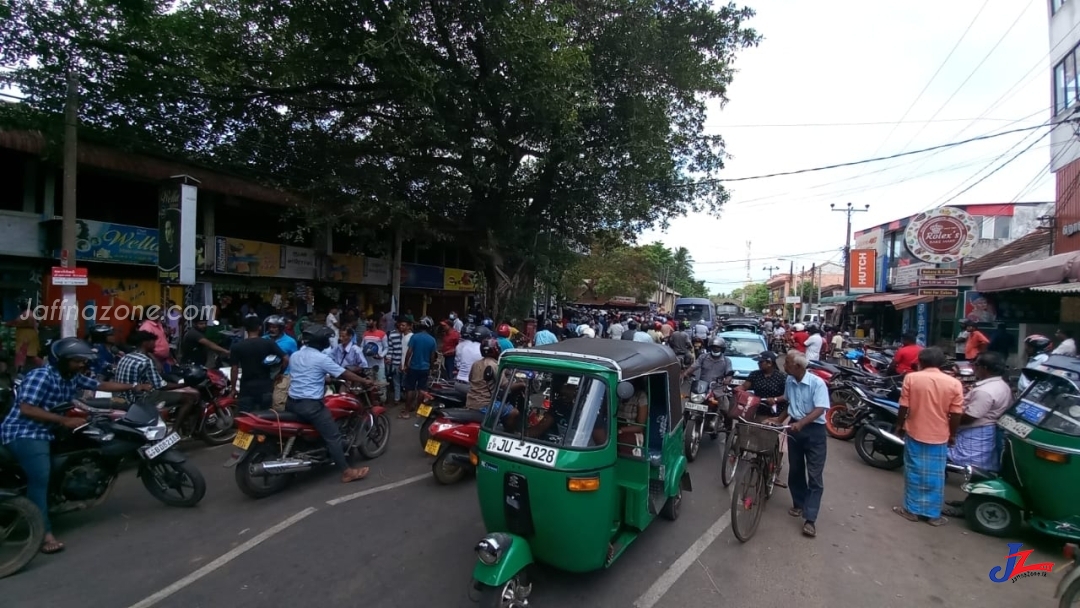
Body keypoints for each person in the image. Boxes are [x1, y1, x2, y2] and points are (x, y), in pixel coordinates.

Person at [0, 338, 151, 554]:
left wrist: (135, 386)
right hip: (24, 431)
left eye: (83, 361)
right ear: (61, 361)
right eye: (77, 361)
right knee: (40, 478)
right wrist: (64, 421)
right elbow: (27, 409)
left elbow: (100, 385)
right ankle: (43, 534)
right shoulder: (41, 376)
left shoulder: (71, 376)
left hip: (50, 429)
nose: (82, 364)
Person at [286, 325, 372, 484]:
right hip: (311, 406)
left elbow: (306, 374)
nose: (328, 341)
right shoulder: (321, 358)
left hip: (291, 403)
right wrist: (364, 380)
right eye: (326, 339)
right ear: (320, 341)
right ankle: (347, 472)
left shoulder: (296, 355)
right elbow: (344, 373)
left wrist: (326, 379)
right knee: (334, 437)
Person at [893, 347, 963, 527]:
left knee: (914, 471)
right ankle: (933, 514)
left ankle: (911, 510)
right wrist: (952, 434)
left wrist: (900, 425)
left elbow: (904, 406)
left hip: (915, 430)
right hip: (940, 434)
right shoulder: (954, 383)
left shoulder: (912, 378)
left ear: (921, 362)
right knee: (936, 474)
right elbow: (956, 413)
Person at [769, 350, 829, 538]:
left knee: (815, 476)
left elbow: (820, 409)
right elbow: (789, 402)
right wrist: (779, 420)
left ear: (798, 366)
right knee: (795, 469)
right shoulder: (790, 381)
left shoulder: (817, 384)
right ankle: (799, 503)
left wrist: (801, 423)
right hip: (794, 429)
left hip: (814, 432)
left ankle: (810, 519)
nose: (783, 365)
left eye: (786, 362)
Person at [118, 331, 202, 433]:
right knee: (189, 398)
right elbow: (161, 386)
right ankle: (175, 432)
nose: (155, 345)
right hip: (142, 398)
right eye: (153, 342)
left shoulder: (126, 357)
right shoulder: (145, 361)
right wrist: (184, 384)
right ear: (146, 343)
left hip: (124, 396)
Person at [230, 316, 288, 412]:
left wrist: (233, 389)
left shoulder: (237, 346)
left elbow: (234, 369)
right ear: (260, 327)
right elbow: (286, 359)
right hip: (265, 386)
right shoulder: (269, 343)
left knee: (246, 417)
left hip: (246, 387)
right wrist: (280, 373)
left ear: (245, 328)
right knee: (265, 418)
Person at [400, 317, 437, 418]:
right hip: (425, 368)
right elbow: (432, 356)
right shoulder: (432, 340)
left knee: (410, 389)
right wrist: (432, 368)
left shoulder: (414, 337)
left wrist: (406, 364)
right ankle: (418, 412)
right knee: (422, 389)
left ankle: (406, 412)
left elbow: (409, 351)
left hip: (413, 367)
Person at [465, 338, 501, 410]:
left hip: (470, 403)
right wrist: (521, 385)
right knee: (514, 412)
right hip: (486, 404)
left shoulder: (475, 363)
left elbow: (470, 379)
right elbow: (505, 385)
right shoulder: (495, 365)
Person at [616, 378, 648, 456]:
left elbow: (640, 426)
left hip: (630, 431)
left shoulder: (641, 396)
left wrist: (620, 430)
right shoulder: (615, 391)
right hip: (614, 427)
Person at [360, 317, 389, 388]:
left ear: (375, 322)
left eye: (369, 320)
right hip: (368, 364)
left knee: (381, 385)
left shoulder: (382, 334)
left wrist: (381, 356)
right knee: (370, 386)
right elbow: (361, 346)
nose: (367, 322)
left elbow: (386, 348)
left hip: (379, 365)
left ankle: (382, 399)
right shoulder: (365, 334)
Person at [454, 326, 483, 396]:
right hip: (470, 385)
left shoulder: (465, 346)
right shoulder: (481, 350)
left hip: (458, 381)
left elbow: (458, 363)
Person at [387, 319, 407, 404]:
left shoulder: (406, 335)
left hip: (402, 362)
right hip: (398, 362)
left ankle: (399, 397)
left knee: (401, 382)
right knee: (398, 382)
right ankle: (398, 398)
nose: (401, 327)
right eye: (400, 325)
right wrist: (389, 359)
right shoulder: (394, 334)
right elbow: (390, 348)